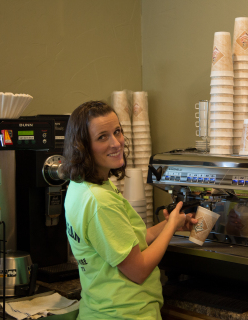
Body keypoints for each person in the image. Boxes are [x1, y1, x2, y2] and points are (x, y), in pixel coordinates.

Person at [61, 100, 197, 320]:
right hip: (124, 313)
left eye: (117, 132)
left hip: (99, 309)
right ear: (83, 147)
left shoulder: (82, 187)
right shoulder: (100, 201)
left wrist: (172, 222)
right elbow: (138, 270)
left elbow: (129, 241)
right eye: (102, 137)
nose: (116, 143)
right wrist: (171, 228)